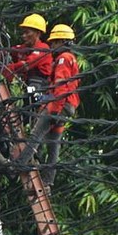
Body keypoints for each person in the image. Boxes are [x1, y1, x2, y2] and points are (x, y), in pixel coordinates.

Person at [22, 23, 81, 193]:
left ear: (63, 41)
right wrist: (42, 101)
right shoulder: (71, 59)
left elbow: (60, 86)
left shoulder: (63, 59)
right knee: (54, 145)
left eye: (55, 42)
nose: (52, 46)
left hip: (59, 104)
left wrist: (53, 110)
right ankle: (47, 183)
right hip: (67, 105)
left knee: (36, 134)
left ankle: (18, 165)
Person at [1, 13, 53, 123]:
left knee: (31, 97)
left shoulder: (43, 49)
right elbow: (9, 51)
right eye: (23, 32)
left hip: (40, 88)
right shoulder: (24, 48)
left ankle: (37, 111)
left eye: (27, 32)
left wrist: (8, 69)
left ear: (38, 33)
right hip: (29, 87)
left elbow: (26, 65)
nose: (23, 36)